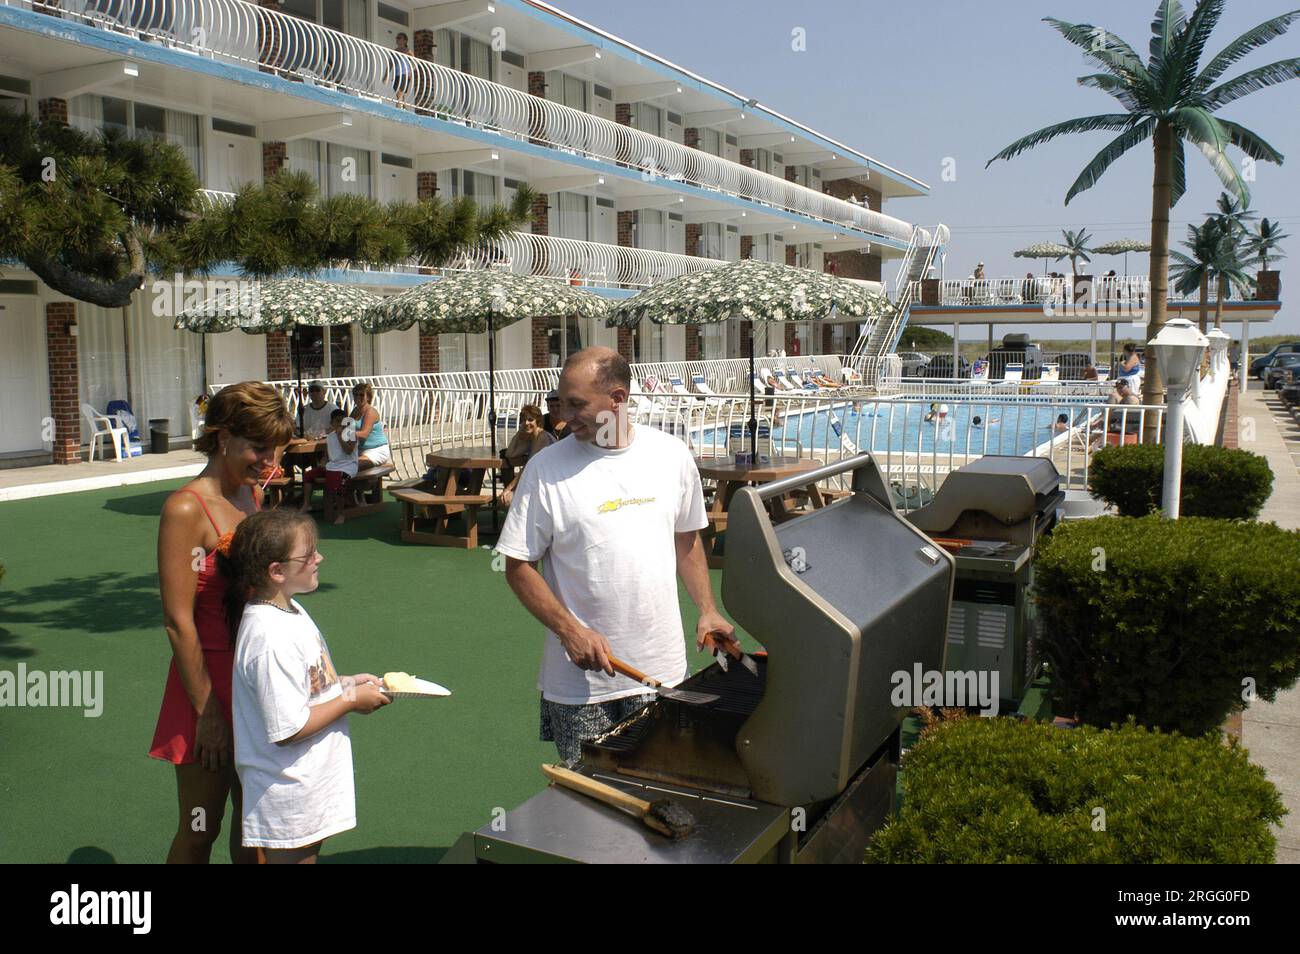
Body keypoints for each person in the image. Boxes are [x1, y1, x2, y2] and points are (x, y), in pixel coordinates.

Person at [496, 347, 736, 765]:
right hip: (580, 687)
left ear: (618, 399)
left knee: (665, 798)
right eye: (561, 401)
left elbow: (687, 539)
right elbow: (517, 566)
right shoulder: (544, 468)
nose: (565, 415)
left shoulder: (671, 455)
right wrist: (570, 631)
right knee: (591, 809)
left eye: (577, 404)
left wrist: (707, 608)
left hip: (662, 673)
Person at [151, 381, 294, 864]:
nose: (268, 459)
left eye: (274, 447)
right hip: (207, 686)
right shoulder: (185, 508)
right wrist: (208, 712)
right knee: (200, 827)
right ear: (222, 436)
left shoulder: (254, 495)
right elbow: (177, 621)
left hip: (256, 681)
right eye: (258, 446)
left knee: (255, 829)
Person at [222, 510, 390, 864]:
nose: (319, 559)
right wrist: (349, 700)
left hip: (303, 784)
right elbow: (289, 727)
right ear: (277, 571)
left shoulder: (288, 609)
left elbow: (304, 687)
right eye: (308, 555)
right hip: (287, 790)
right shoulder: (269, 637)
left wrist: (344, 683)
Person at [300, 410, 358, 525]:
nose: (340, 423)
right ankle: (306, 504)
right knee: (308, 475)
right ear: (332, 422)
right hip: (332, 465)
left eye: (343, 420)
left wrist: (340, 436)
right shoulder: (330, 437)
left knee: (337, 481)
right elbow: (327, 456)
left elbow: (348, 451)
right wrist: (322, 463)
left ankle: (341, 513)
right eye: (337, 421)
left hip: (347, 466)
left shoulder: (350, 434)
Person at [499, 404, 554, 508]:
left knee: (508, 499)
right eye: (523, 420)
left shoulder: (543, 438)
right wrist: (520, 432)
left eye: (530, 420)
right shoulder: (531, 437)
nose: (526, 423)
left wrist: (508, 488)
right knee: (505, 499)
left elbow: (528, 467)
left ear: (538, 421)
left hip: (550, 483)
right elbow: (510, 454)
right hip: (539, 479)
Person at [350, 382, 390, 471]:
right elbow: (347, 426)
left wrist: (345, 433)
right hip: (360, 451)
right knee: (335, 462)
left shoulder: (370, 411)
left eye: (361, 395)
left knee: (351, 466)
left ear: (368, 397)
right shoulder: (355, 410)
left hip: (376, 450)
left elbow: (364, 434)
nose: (358, 397)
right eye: (355, 394)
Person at [390, 33, 413, 107]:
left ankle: (398, 109)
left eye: (399, 38)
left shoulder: (407, 50)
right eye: (397, 38)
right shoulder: (395, 51)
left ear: (405, 41)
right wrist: (387, 74)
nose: (397, 39)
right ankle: (404, 108)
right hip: (397, 74)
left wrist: (410, 71)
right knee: (399, 94)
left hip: (404, 74)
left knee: (399, 94)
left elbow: (415, 61)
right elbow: (391, 63)